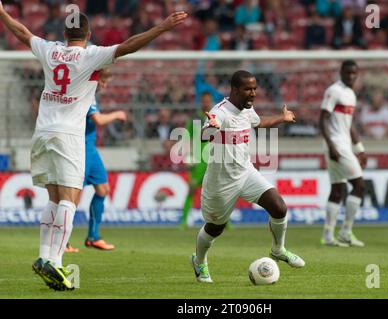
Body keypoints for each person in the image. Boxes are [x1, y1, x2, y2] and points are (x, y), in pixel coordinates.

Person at [0, 1, 188, 291]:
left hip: (43, 131)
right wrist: (162, 27)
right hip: (68, 135)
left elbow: (22, 33)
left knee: (53, 197)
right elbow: (128, 46)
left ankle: (44, 256)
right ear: (88, 34)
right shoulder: (91, 56)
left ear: (65, 33)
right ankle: (56, 260)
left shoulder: (50, 50)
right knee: (69, 199)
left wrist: (1, 13)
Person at [191, 70, 305, 283]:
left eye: (254, 88)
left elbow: (258, 122)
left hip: (245, 172)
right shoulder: (221, 112)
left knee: (279, 206)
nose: (253, 93)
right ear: (235, 90)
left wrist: (282, 117)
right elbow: (205, 133)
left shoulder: (247, 108)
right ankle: (199, 261)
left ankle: (278, 249)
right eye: (248, 89)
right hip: (221, 181)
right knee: (215, 228)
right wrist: (211, 129)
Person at [65, 68, 127, 253]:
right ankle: (63, 240)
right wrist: (117, 114)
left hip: (90, 148)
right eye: (104, 81)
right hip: (80, 148)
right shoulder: (86, 92)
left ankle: (93, 237)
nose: (105, 85)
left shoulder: (91, 93)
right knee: (73, 196)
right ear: (96, 79)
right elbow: (98, 120)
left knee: (103, 189)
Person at [319, 60, 367, 248]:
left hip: (344, 144)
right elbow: (322, 120)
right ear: (341, 72)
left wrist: (360, 148)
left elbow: (349, 125)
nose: (351, 76)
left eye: (354, 73)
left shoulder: (351, 94)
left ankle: (328, 236)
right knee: (359, 185)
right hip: (336, 145)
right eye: (348, 73)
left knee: (338, 189)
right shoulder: (334, 91)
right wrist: (331, 145)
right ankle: (346, 232)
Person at [180, 92, 213, 229]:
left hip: (213, 159)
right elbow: (186, 139)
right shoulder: (194, 119)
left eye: (208, 101)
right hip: (198, 160)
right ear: (201, 102)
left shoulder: (217, 118)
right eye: (204, 101)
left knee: (216, 193)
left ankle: (225, 222)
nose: (206, 103)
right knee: (191, 190)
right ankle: (183, 221)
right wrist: (186, 157)